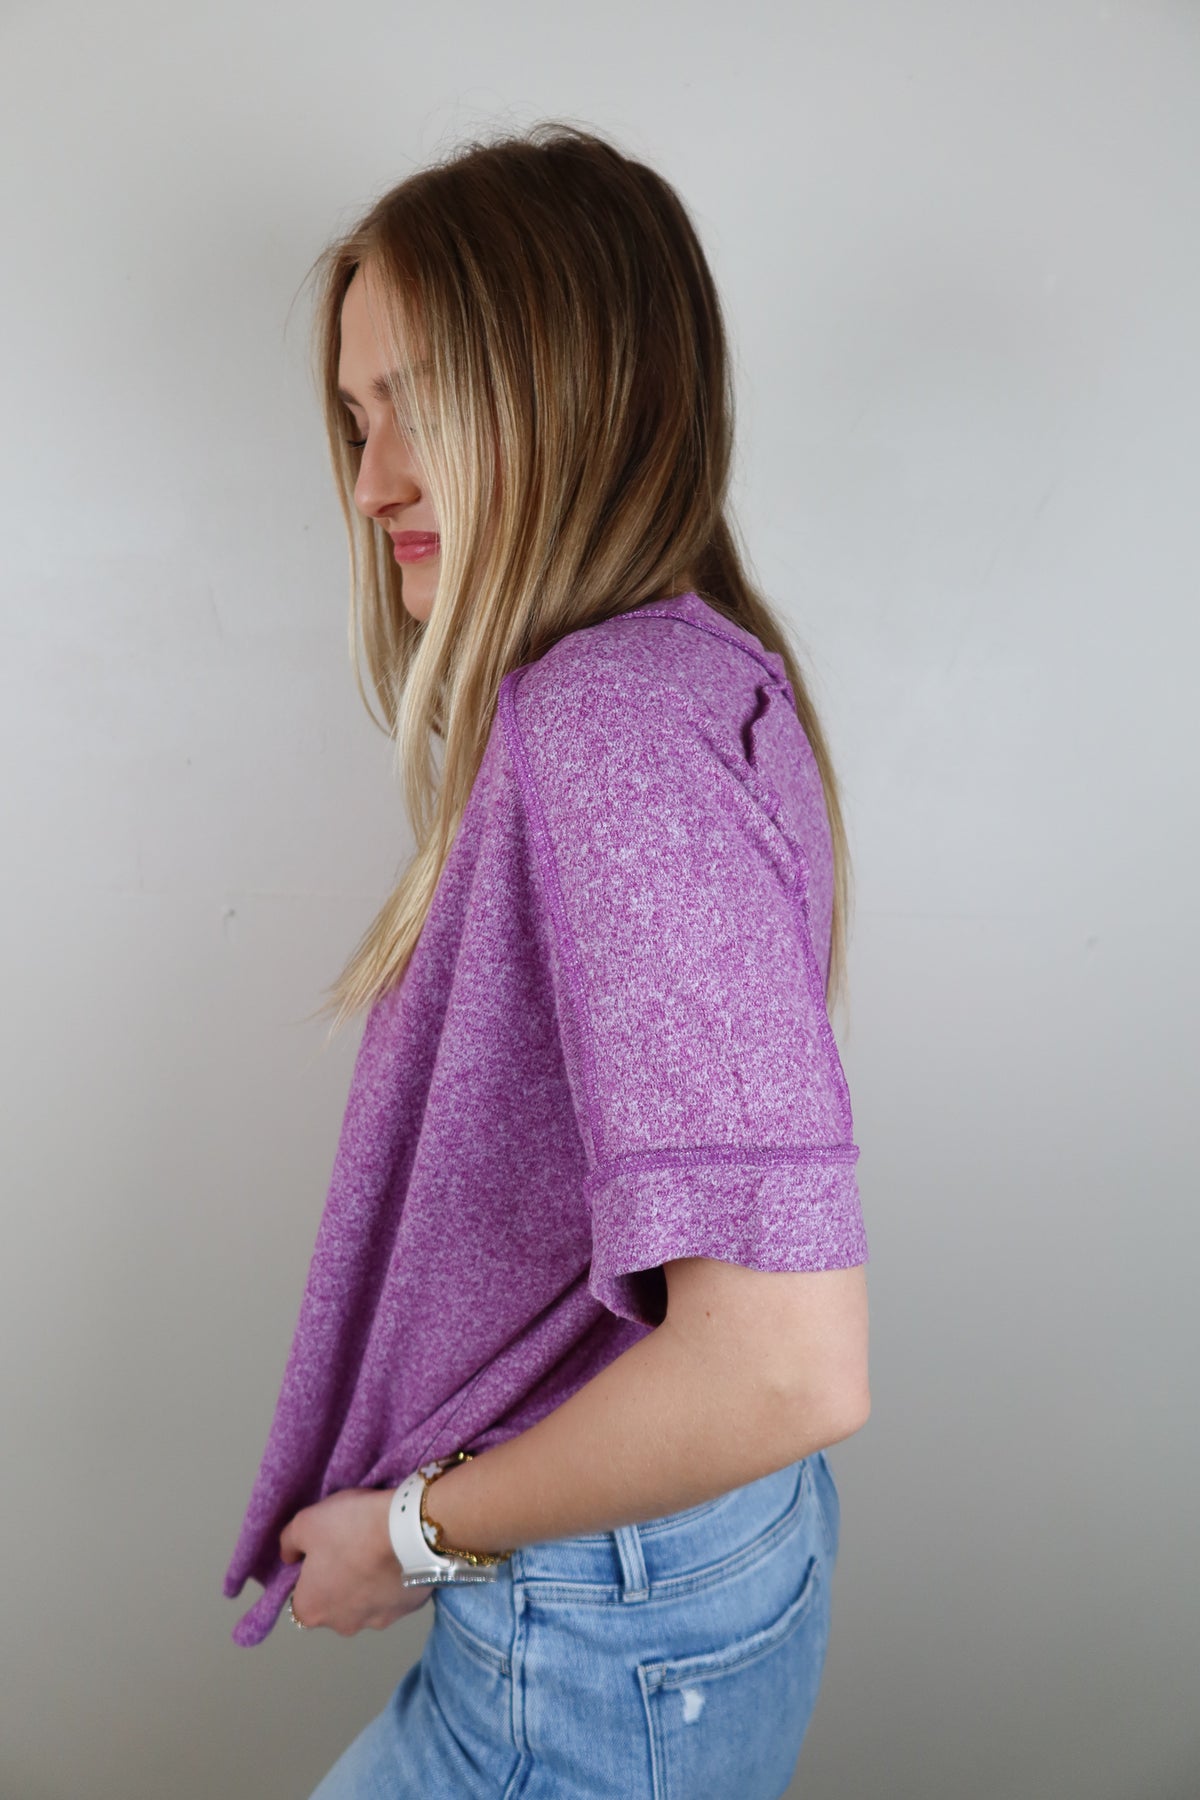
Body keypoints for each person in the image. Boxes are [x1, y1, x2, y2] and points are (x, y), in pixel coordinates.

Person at [222, 120, 870, 1798]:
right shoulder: (699, 666)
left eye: (421, 404)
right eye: (355, 421)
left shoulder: (608, 728)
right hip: (674, 1560)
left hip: (596, 1618)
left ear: (581, 389)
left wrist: (408, 1533)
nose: (371, 482)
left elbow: (784, 1365)